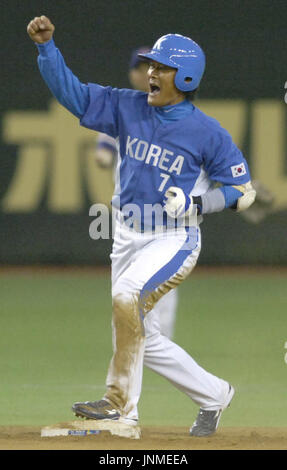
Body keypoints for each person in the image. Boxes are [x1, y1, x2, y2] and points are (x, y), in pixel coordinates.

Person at [27, 16, 257, 437]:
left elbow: (243, 191)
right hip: (126, 236)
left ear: (184, 76)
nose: (151, 72)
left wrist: (197, 202)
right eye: (151, 64)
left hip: (174, 237)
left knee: (126, 297)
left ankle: (120, 409)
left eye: (162, 67)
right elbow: (74, 95)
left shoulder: (207, 132)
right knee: (139, 333)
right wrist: (47, 49)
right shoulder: (126, 106)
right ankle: (214, 394)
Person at [95, 46, 178, 340]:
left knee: (162, 281)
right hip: (128, 211)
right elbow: (103, 152)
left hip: (165, 211)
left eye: (154, 68)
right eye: (142, 68)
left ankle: (159, 346)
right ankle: (133, 345)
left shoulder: (175, 112)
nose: (147, 74)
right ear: (132, 74)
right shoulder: (123, 110)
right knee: (125, 284)